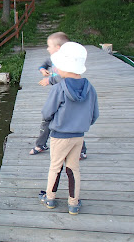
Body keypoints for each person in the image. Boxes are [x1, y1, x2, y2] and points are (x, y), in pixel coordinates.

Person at [38, 42, 99, 215]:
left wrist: (52, 122)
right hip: (78, 136)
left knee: (55, 167)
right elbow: (94, 115)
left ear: (64, 67)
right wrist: (80, 124)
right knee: (73, 169)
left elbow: (46, 112)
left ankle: (50, 198)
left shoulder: (59, 88)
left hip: (59, 136)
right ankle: (73, 203)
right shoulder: (90, 88)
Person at [30, 32, 87, 160]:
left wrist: (49, 80)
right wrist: (42, 69)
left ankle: (81, 150)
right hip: (57, 94)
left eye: (49, 46)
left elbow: (65, 78)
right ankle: (41, 145)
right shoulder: (53, 58)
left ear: (58, 48)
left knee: (72, 121)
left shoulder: (69, 62)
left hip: (68, 95)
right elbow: (44, 63)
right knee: (47, 120)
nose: (47, 48)